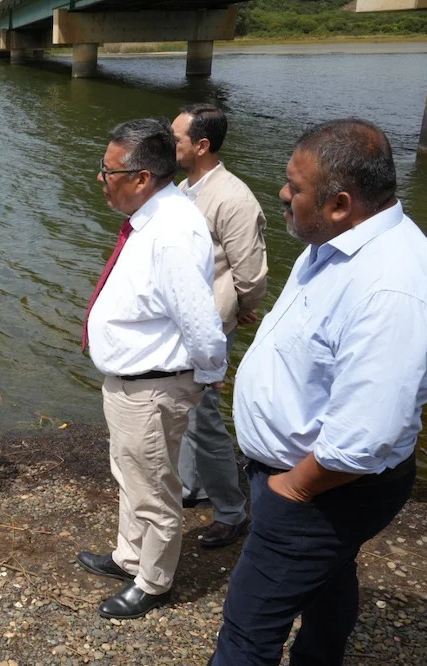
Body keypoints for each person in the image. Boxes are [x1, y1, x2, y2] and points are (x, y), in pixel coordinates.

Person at [209, 119, 427, 665]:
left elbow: (366, 436)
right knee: (328, 580)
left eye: (295, 187)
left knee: (247, 631)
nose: (282, 194)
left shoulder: (392, 285)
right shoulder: (334, 241)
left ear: (340, 203)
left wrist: (293, 489)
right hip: (310, 481)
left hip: (324, 488)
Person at [75, 119, 228, 619]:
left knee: (154, 487)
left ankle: (154, 581)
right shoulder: (153, 219)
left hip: (153, 388)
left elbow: (202, 323)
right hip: (131, 384)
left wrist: (206, 376)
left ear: (141, 177)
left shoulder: (172, 234)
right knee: (132, 474)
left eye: (108, 170)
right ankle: (129, 556)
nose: (101, 179)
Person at [170, 103, 268, 548]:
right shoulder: (185, 188)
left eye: (176, 140)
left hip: (210, 323)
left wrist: (240, 308)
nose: (171, 146)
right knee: (189, 411)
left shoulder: (233, 197)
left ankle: (231, 510)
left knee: (204, 417)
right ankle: (192, 487)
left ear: (202, 145)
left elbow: (251, 272)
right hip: (184, 321)